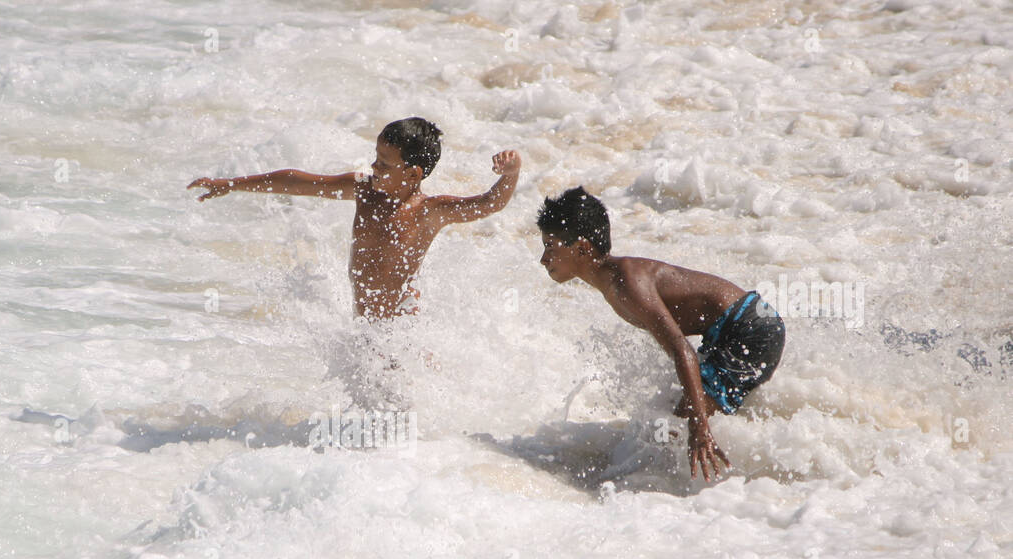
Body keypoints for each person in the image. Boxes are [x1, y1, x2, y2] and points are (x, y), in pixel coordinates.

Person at [537, 186, 785, 481]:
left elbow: (681, 350)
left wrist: (699, 426)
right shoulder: (613, 282)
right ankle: (736, 479)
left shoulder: (628, 284)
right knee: (671, 424)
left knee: (678, 429)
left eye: (550, 247)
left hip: (751, 327)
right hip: (742, 326)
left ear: (582, 249)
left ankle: (730, 491)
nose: (544, 259)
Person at [189, 117, 520, 322]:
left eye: (385, 165)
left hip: (401, 335)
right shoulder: (364, 191)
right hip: (364, 327)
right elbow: (297, 182)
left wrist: (512, 172)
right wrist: (231, 184)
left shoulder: (429, 211)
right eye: (376, 159)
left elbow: (489, 203)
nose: (375, 168)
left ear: (413, 173)